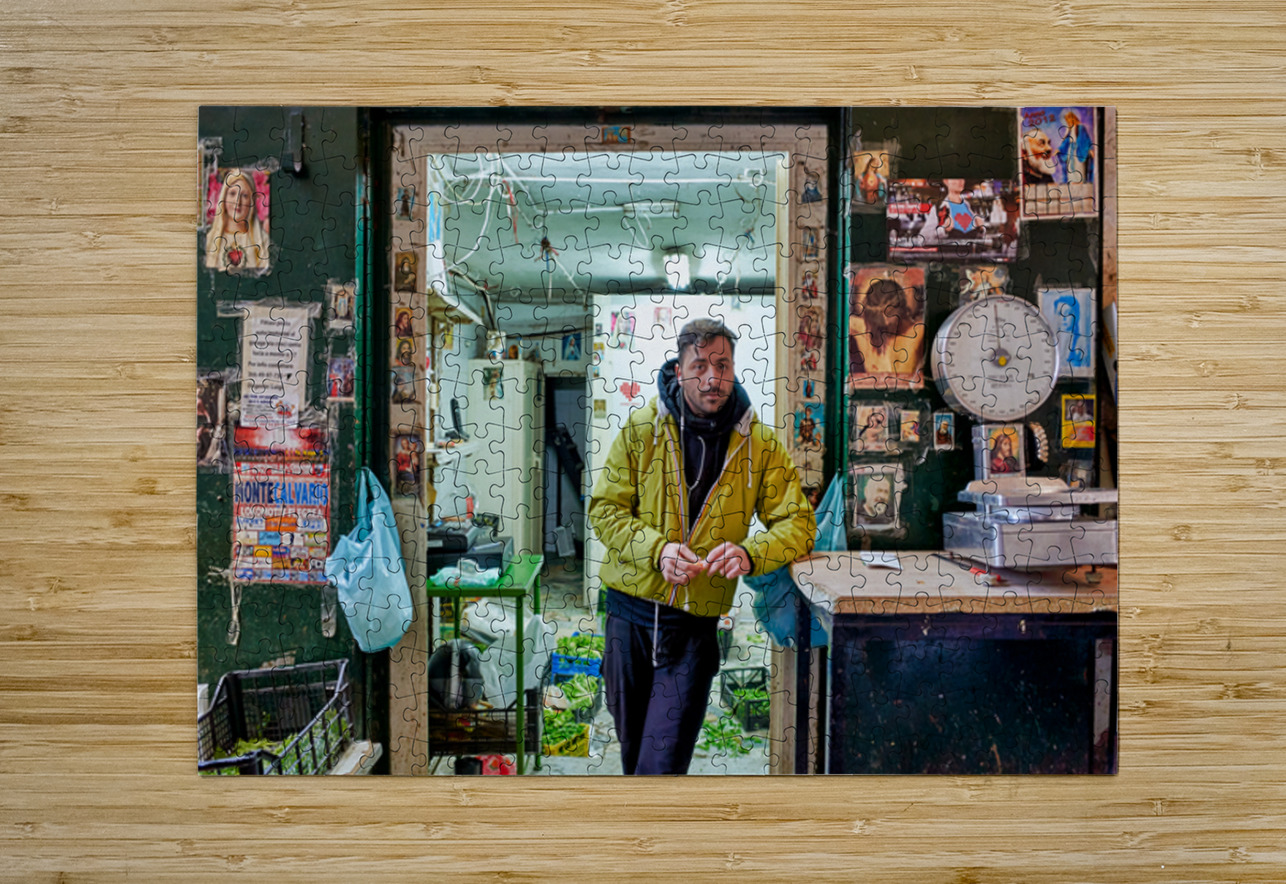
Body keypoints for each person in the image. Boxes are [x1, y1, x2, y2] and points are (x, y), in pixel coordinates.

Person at [588, 318, 815, 775]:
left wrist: (751, 553)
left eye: (722, 365)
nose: (713, 377)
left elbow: (799, 523)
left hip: (694, 630)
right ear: (679, 370)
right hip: (626, 620)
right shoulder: (642, 429)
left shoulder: (759, 445)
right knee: (634, 758)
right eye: (700, 366)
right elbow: (605, 511)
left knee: (661, 767)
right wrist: (657, 551)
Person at [204, 169, 269, 272]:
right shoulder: (209, 240)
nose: (238, 201)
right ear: (224, 198)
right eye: (232, 193)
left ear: (251, 202)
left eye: (245, 195)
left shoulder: (262, 242)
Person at [1057, 109, 1094, 185]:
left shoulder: (1081, 127)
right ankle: (1072, 181)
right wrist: (1059, 149)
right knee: (1070, 166)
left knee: (1079, 165)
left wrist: (1090, 149)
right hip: (1070, 150)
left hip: (1079, 150)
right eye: (1067, 121)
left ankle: (1080, 181)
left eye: (1070, 119)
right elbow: (1066, 142)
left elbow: (1085, 139)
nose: (1069, 122)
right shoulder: (1069, 130)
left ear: (1074, 118)